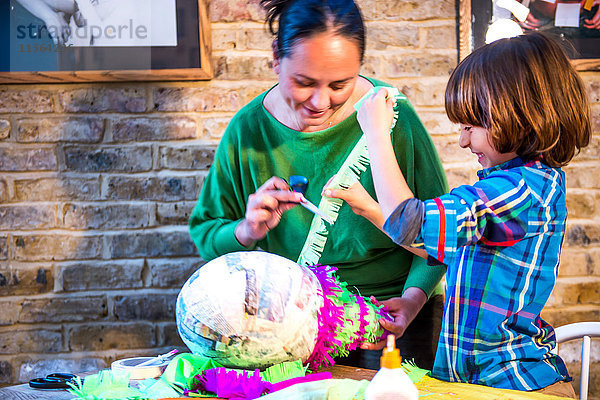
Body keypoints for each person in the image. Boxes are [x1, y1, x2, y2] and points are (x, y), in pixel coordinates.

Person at [188, 0, 448, 370]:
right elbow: (207, 234)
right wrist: (247, 230)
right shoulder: (247, 131)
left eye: (340, 84)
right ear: (276, 59)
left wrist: (412, 300)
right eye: (304, 83)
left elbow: (442, 232)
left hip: (396, 322)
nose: (320, 102)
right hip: (289, 330)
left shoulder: (392, 116)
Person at [328, 32, 590, 397]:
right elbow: (433, 244)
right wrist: (368, 207)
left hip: (512, 384)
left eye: (470, 127)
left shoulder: (517, 191)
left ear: (520, 116)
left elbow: (409, 222)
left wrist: (376, 133)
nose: (464, 142)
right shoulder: (522, 185)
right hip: (479, 380)